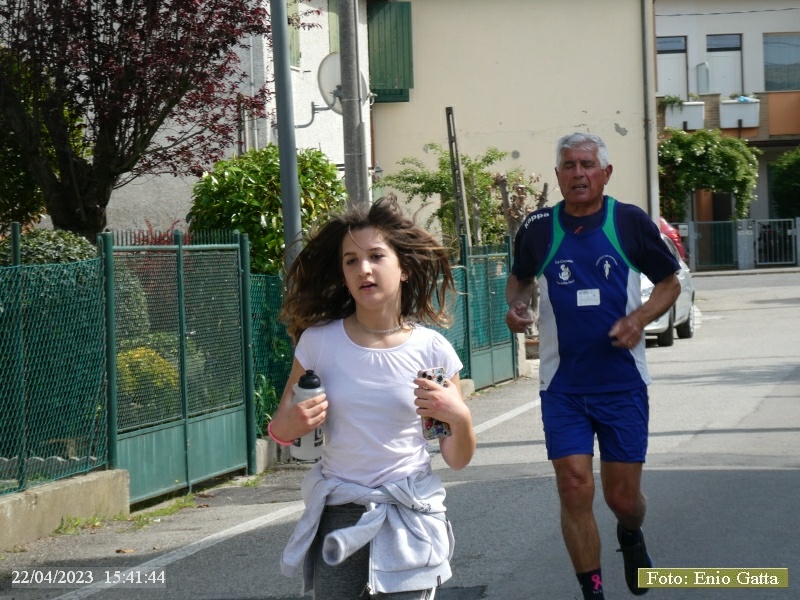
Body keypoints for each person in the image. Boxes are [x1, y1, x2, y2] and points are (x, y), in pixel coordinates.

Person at [270, 196, 476, 599]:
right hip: (339, 511)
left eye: (376, 256)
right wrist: (290, 426)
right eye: (351, 261)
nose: (363, 268)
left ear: (404, 268)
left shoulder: (432, 351)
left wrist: (461, 417)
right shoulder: (318, 343)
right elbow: (280, 428)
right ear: (344, 274)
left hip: (408, 512)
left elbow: (457, 458)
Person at [505, 133, 681, 599]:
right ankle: (594, 591)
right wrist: (516, 307)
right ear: (558, 174)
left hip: (622, 384)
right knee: (573, 486)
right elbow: (519, 279)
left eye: (587, 165)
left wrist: (638, 319)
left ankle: (631, 533)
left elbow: (669, 283)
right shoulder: (538, 227)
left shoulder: (629, 221)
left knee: (623, 499)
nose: (578, 173)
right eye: (569, 165)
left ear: (605, 173)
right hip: (562, 387)